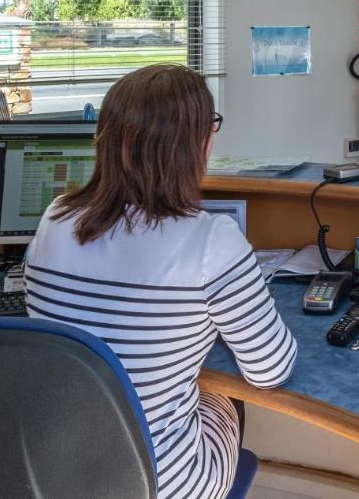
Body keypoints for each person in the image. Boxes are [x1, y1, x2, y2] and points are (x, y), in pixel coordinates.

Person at [26, 65, 297, 499]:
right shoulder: (212, 240)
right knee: (224, 398)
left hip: (56, 473)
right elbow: (271, 370)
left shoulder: (54, 216)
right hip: (159, 484)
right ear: (197, 144)